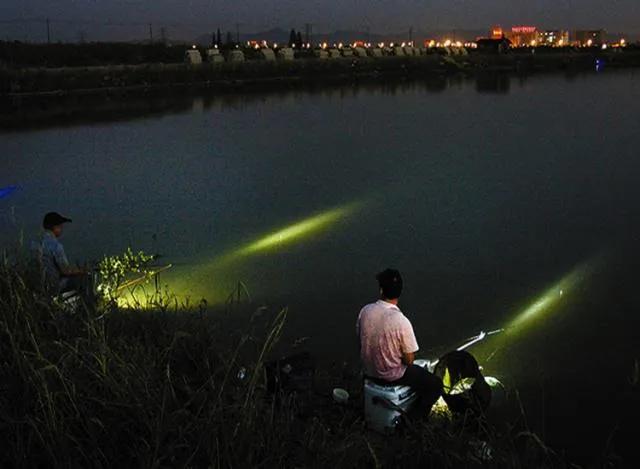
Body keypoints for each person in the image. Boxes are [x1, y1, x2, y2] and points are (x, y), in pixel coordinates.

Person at [357, 268, 443, 418]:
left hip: (368, 372)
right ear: (400, 292)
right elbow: (409, 360)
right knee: (435, 385)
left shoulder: (365, 311)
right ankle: (414, 419)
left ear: (381, 290)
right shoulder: (401, 321)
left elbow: (360, 338)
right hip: (391, 376)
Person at [32, 212, 87, 294]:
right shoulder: (56, 245)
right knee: (84, 279)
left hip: (38, 285)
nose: (62, 229)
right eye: (61, 227)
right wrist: (82, 270)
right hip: (54, 285)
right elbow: (65, 270)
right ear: (55, 227)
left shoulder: (35, 244)